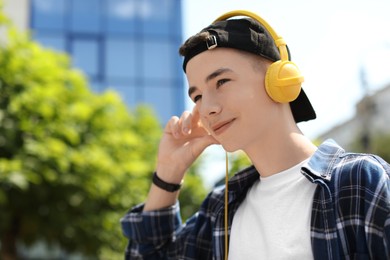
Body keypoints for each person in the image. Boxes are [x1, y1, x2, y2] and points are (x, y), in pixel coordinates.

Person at [120, 10, 390, 260]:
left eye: (221, 82)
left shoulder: (359, 182)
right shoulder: (220, 209)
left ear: (279, 80)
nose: (208, 108)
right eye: (198, 96)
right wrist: (169, 171)